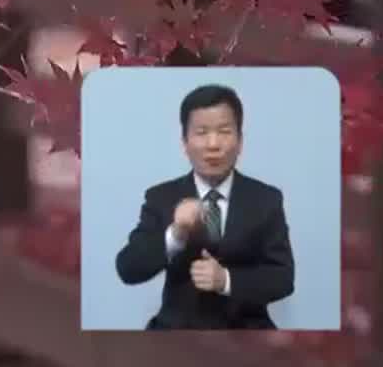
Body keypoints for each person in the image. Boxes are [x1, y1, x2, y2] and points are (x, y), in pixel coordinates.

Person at [114, 84, 295, 330]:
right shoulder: (161, 197)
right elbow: (128, 268)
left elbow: (283, 278)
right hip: (177, 332)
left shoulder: (266, 199)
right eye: (201, 132)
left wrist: (226, 281)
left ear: (240, 141)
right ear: (185, 143)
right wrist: (176, 233)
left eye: (224, 131)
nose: (213, 144)